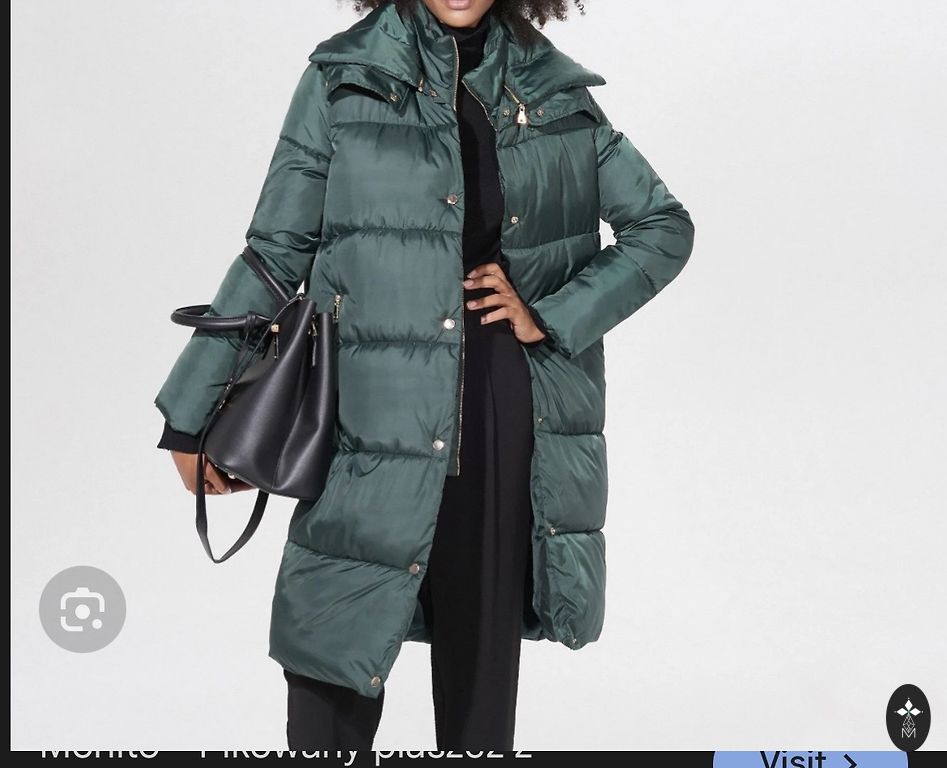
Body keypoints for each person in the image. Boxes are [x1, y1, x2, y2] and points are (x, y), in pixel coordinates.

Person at [154, 0, 695, 751]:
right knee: (331, 651)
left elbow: (663, 226)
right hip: (364, 411)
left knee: (478, 678)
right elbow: (276, 251)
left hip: (499, 409)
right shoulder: (344, 79)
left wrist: (551, 313)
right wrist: (190, 415)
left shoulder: (550, 90)